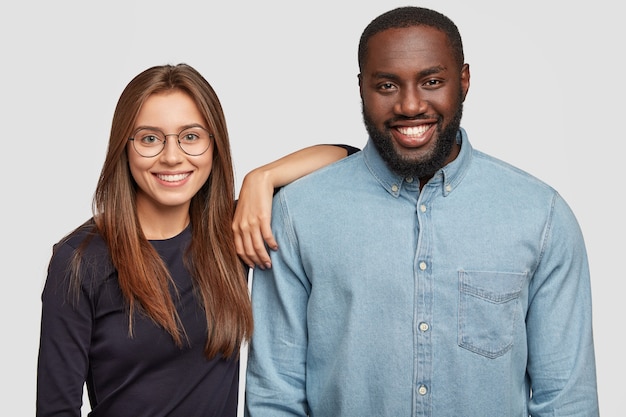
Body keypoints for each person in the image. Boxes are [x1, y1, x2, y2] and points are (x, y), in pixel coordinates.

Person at [243, 7, 599, 416]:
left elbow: (567, 401)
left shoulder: (542, 217)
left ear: (463, 81)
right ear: (361, 88)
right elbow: (275, 397)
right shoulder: (297, 214)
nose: (410, 105)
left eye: (431, 81)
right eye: (387, 85)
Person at [35, 63, 356, 417]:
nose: (172, 157)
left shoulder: (230, 232)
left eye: (190, 136)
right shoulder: (81, 259)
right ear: (124, 148)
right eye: (150, 138)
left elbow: (346, 157)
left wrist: (261, 178)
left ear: (213, 145)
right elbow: (56, 410)